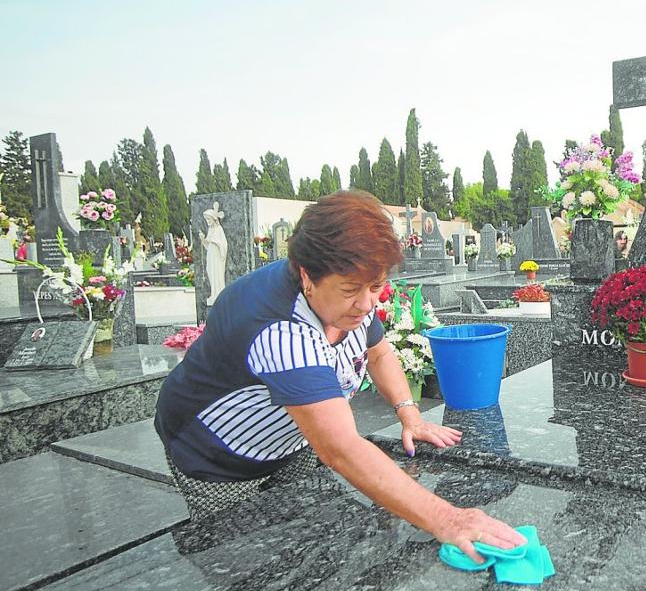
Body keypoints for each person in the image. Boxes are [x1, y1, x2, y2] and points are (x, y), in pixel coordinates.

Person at [156, 190, 524, 563]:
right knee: (249, 559)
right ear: (307, 277)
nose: (366, 305)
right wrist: (447, 519)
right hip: (218, 456)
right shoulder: (280, 329)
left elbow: (378, 351)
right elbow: (340, 449)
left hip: (294, 441)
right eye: (351, 291)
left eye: (376, 287)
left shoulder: (347, 290)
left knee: (314, 546)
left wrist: (410, 414)